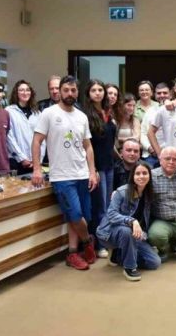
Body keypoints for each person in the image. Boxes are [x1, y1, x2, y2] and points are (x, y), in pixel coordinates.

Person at [32, 75, 99, 271]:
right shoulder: (49, 114)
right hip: (62, 176)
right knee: (75, 215)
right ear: (59, 92)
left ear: (77, 92)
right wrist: (37, 168)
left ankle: (72, 252)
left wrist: (92, 171)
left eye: (73, 90)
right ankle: (88, 242)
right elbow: (37, 141)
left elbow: (88, 146)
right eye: (66, 90)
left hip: (82, 174)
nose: (70, 93)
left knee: (81, 215)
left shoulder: (82, 116)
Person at [96, 161, 161, 281]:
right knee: (126, 231)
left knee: (154, 262)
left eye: (145, 173)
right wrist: (132, 221)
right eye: (138, 173)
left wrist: (144, 235)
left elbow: (146, 220)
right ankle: (129, 268)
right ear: (132, 176)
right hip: (109, 233)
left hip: (133, 234)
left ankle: (118, 255)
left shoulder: (149, 193)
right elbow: (111, 214)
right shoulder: (121, 192)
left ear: (150, 176)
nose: (141, 176)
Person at [82, 79, 117, 259]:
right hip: (97, 167)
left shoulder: (108, 112)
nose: (98, 93)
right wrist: (92, 169)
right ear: (88, 93)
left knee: (109, 205)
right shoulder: (85, 115)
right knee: (100, 206)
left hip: (109, 164)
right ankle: (100, 244)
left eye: (100, 90)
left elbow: (110, 142)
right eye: (94, 90)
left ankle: (107, 238)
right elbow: (87, 145)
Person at [6, 80, 43, 175]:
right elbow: (9, 138)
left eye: (27, 90)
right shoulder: (9, 111)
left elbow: (42, 139)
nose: (25, 92)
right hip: (16, 162)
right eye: (21, 90)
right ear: (16, 93)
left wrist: (39, 159)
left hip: (35, 163)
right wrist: (22, 158)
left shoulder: (37, 113)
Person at [140, 82, 171, 167]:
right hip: (151, 155)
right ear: (155, 95)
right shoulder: (150, 111)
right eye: (159, 93)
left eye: (165, 93)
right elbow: (143, 132)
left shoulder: (175, 110)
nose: (162, 95)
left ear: (170, 94)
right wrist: (149, 148)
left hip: (170, 154)